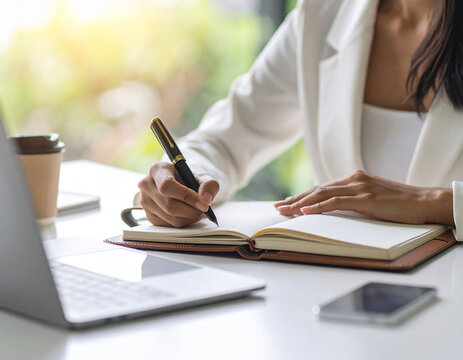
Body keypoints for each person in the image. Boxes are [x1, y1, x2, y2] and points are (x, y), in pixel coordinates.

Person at [137, 0, 463, 240]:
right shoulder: (323, 14)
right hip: (344, 295)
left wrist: (432, 202)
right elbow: (224, 140)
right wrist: (184, 179)